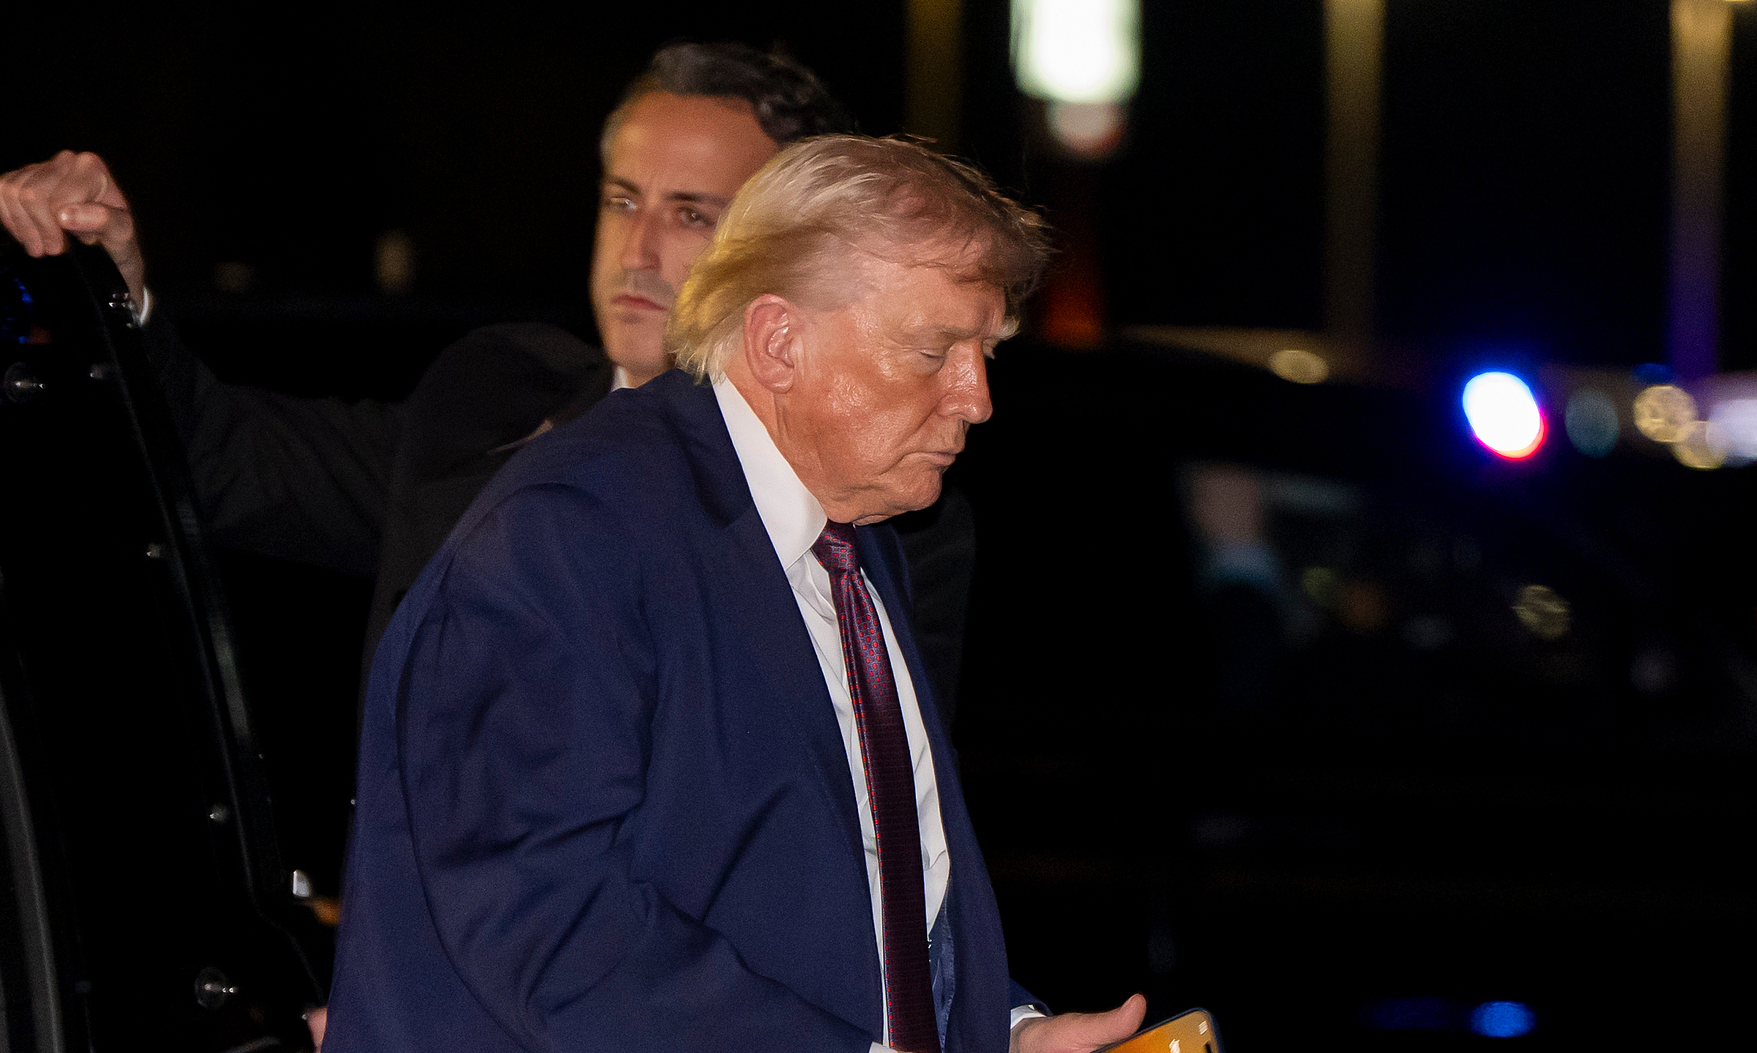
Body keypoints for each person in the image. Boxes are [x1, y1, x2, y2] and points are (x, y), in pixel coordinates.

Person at [325, 135, 1143, 1053]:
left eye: (985, 350)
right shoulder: (572, 533)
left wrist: (1001, 1028)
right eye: (935, 350)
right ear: (779, 341)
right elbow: (542, 917)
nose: (977, 396)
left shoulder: (853, 541)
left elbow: (850, 886)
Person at [0, 43, 974, 718]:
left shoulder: (876, 498)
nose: (637, 250)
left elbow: (845, 848)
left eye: (690, 215)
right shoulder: (495, 400)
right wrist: (112, 290)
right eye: (622, 199)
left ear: (793, 259)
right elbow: (223, 460)